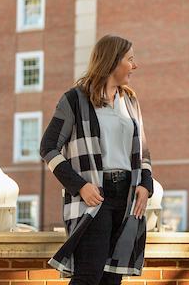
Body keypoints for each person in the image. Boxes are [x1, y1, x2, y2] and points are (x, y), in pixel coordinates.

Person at [40, 35, 153, 285]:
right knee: (88, 276)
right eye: (130, 59)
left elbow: (143, 152)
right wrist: (79, 185)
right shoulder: (74, 100)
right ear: (112, 62)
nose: (135, 66)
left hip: (127, 198)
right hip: (94, 197)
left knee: (112, 278)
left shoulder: (130, 101)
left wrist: (146, 184)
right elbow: (48, 147)